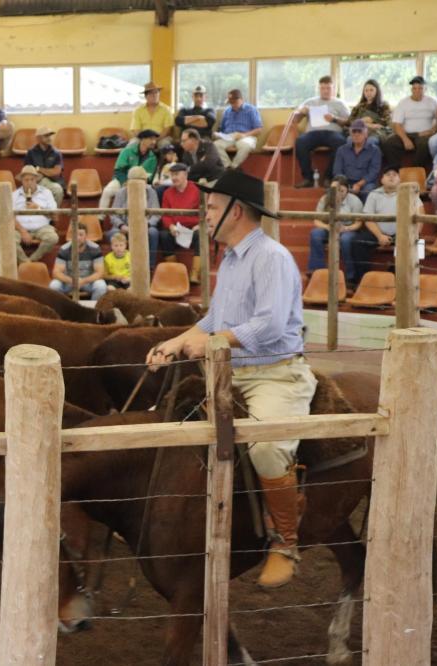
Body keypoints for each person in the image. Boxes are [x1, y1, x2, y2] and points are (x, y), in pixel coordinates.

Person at [147, 170, 317, 590]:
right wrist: (176, 341)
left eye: (212, 208)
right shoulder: (232, 258)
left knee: (266, 449)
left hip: (276, 375)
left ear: (236, 211)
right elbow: (214, 320)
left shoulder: (272, 258)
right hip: (232, 373)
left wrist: (214, 342)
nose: (204, 215)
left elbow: (271, 324)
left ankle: (285, 540)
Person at [350, 166, 404, 284]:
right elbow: (368, 218)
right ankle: (364, 280)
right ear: (382, 179)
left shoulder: (408, 193)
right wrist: (379, 236)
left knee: (418, 243)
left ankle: (403, 279)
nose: (391, 177)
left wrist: (411, 233)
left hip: (402, 233)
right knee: (357, 242)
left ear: (400, 179)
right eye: (388, 175)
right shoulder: (374, 194)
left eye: (394, 175)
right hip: (378, 233)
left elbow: (420, 214)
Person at [293, 76, 350, 188]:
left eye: (328, 88)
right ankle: (307, 178)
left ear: (333, 89)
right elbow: (296, 120)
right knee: (300, 142)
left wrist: (334, 118)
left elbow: (349, 122)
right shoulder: (310, 101)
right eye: (323, 88)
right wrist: (301, 113)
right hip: (313, 133)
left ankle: (329, 177)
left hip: (333, 133)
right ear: (319, 89)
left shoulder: (340, 103)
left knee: (341, 143)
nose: (325, 91)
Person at [306, 176, 364, 281]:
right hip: (329, 228)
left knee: (346, 240)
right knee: (315, 234)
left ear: (347, 189)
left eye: (341, 190)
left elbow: (358, 223)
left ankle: (350, 275)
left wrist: (346, 228)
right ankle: (317, 270)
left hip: (347, 229)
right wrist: (328, 227)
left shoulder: (355, 201)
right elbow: (317, 220)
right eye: (335, 190)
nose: (338, 193)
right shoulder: (325, 199)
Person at [382, 76, 437, 171]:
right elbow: (397, 124)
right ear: (411, 89)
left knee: (424, 144)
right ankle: (396, 170)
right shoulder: (403, 103)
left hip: (425, 135)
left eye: (420, 88)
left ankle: (415, 171)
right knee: (389, 143)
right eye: (414, 88)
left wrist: (433, 130)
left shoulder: (432, 102)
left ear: (425, 89)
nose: (417, 91)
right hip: (407, 134)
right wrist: (405, 139)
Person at [108, 166, 161, 269]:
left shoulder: (151, 192)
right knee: (114, 234)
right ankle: (118, 267)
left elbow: (156, 214)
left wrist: (147, 224)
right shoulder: (121, 192)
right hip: (124, 225)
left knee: (153, 232)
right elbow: (113, 214)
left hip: (146, 225)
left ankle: (150, 266)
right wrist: (122, 226)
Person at [158, 163, 203, 283]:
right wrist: (171, 226)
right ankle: (175, 272)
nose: (174, 178)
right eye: (172, 175)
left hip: (193, 229)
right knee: (163, 235)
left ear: (186, 175)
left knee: (201, 234)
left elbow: (206, 212)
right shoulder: (167, 193)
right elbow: (165, 214)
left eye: (177, 174)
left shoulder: (198, 190)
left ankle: (194, 274)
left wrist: (199, 225)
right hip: (176, 230)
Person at [99, 129, 160, 210]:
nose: (154, 142)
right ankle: (100, 219)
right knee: (107, 191)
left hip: (141, 184)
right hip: (123, 180)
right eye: (151, 139)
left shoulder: (153, 157)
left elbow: (149, 176)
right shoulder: (127, 151)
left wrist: (138, 184)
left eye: (155, 139)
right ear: (142, 139)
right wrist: (125, 182)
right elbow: (118, 170)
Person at [11, 165, 59, 262]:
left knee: (53, 238)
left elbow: (55, 216)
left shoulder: (46, 193)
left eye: (32, 179)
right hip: (20, 228)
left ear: (36, 180)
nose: (29, 183)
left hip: (42, 227)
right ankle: (25, 261)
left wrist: (38, 208)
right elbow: (10, 217)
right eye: (26, 180)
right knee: (8, 239)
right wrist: (23, 231)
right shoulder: (14, 195)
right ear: (22, 181)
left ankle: (31, 261)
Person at [48, 225, 108, 302]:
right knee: (54, 286)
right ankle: (60, 311)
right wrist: (72, 281)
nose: (78, 238)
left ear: (86, 235)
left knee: (101, 286)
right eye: (75, 234)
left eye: (81, 234)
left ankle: (94, 311)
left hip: (88, 281)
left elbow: (100, 273)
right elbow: (56, 273)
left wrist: (83, 281)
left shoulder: (95, 248)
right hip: (69, 281)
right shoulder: (64, 249)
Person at [332, 120, 382, 201]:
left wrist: (359, 184)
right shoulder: (341, 150)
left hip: (365, 183)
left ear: (366, 134)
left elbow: (374, 172)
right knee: (333, 189)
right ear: (350, 134)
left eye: (360, 131)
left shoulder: (375, 150)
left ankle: (366, 213)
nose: (356, 134)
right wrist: (345, 185)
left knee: (368, 190)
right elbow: (337, 171)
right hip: (346, 182)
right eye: (354, 131)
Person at [214, 89, 264, 170]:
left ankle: (234, 167)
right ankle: (228, 166)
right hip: (229, 136)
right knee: (215, 145)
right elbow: (221, 128)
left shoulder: (251, 109)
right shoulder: (227, 111)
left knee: (246, 146)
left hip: (246, 136)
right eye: (230, 102)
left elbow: (259, 129)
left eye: (234, 102)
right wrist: (219, 135)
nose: (232, 104)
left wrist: (244, 135)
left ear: (241, 100)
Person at [24, 127, 65, 205]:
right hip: (36, 181)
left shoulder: (56, 153)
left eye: (50, 135)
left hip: (54, 181)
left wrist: (38, 169)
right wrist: (47, 172)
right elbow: (27, 171)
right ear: (38, 138)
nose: (49, 138)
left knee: (58, 190)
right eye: (46, 136)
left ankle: (52, 215)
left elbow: (56, 173)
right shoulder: (31, 152)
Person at [347, 79, 393, 145]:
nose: (368, 93)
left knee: (370, 142)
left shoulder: (383, 105)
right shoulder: (359, 106)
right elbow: (350, 121)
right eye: (366, 90)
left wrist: (373, 123)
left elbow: (387, 122)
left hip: (376, 133)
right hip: (359, 131)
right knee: (349, 140)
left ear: (377, 91)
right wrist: (364, 122)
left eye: (371, 90)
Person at [130, 82, 174, 148]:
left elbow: (167, 130)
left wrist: (154, 140)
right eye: (151, 93)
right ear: (145, 96)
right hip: (142, 138)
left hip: (161, 138)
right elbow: (136, 130)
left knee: (165, 145)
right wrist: (145, 140)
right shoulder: (138, 110)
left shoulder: (166, 109)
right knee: (133, 144)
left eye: (156, 92)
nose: (154, 95)